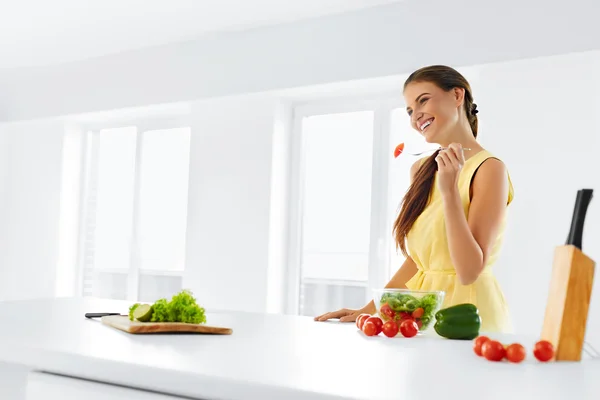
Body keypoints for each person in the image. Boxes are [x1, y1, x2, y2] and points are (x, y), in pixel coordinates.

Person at [314, 65, 514, 333]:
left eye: (423, 100)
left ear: (457, 96)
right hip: (422, 311)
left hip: (470, 313)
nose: (415, 116)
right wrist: (368, 309)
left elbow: (468, 271)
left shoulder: (489, 168)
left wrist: (450, 193)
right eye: (409, 110)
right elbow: (417, 262)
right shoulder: (420, 170)